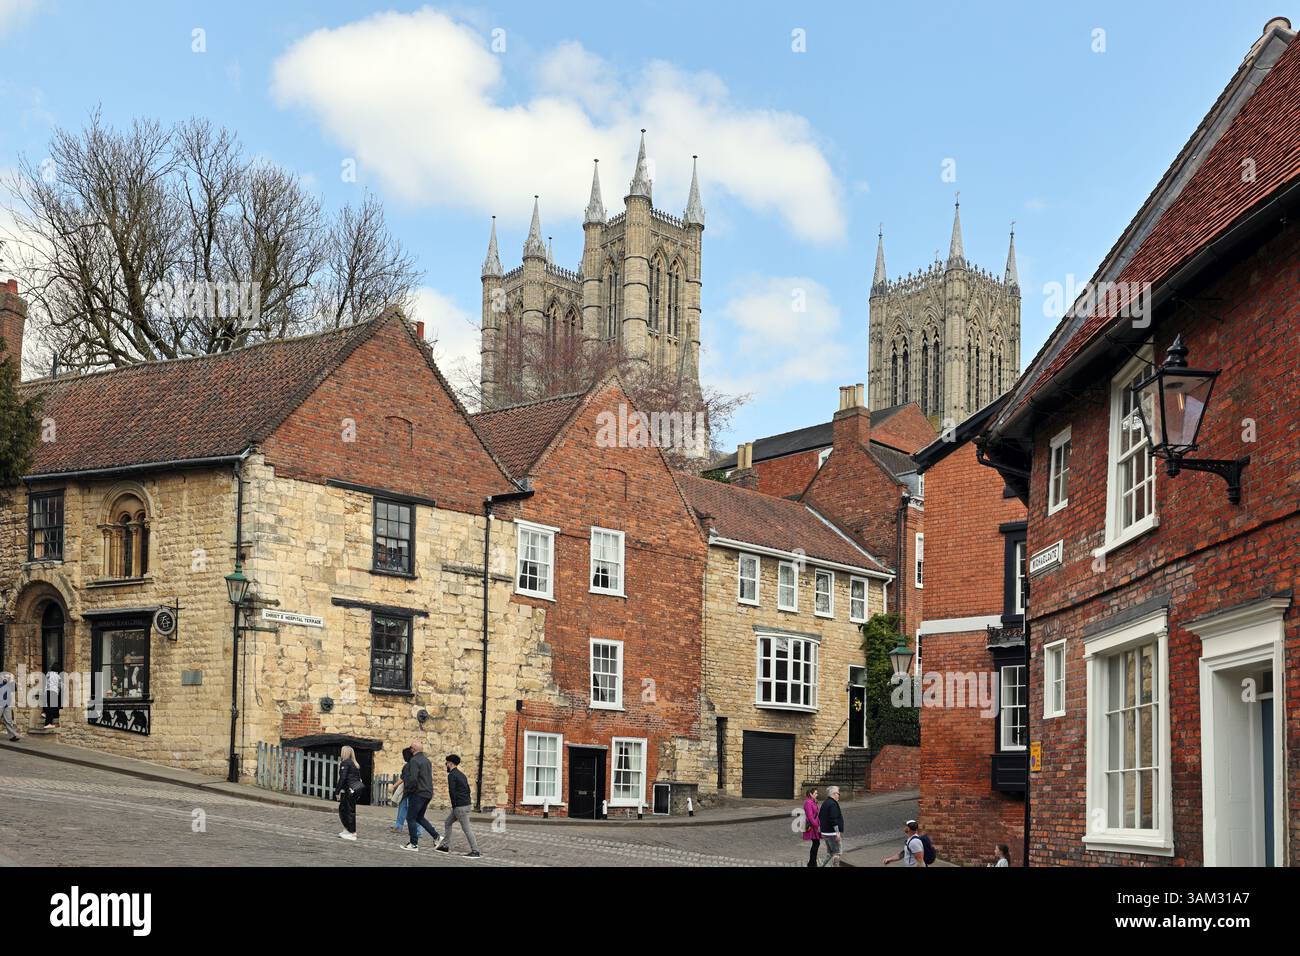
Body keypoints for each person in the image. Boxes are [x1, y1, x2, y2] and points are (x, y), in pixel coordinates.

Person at [436, 754, 482, 859]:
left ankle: (475, 851)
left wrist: (454, 805)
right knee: (447, 822)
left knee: (467, 829)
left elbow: (452, 792)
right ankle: (445, 846)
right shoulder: (461, 774)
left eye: (447, 763)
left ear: (451, 763)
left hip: (460, 807)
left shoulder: (452, 775)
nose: (446, 764)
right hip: (464, 804)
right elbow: (468, 790)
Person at [400, 741, 440, 851]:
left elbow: (413, 779)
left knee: (411, 818)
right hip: (427, 793)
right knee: (419, 817)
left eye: (410, 748)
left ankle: (413, 844)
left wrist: (408, 791)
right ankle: (436, 836)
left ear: (413, 749)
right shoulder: (427, 761)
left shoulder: (414, 761)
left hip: (418, 793)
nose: (409, 750)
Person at [335, 745, 364, 841]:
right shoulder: (354, 763)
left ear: (344, 753)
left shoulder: (346, 763)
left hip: (352, 789)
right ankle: (348, 829)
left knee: (348, 810)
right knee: (345, 808)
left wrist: (337, 791)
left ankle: (352, 832)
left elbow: (342, 778)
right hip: (356, 788)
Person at [818, 785, 844, 866]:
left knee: (830, 853)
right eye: (838, 793)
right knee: (837, 853)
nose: (839, 795)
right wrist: (837, 833)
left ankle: (821, 865)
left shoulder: (825, 802)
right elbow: (833, 819)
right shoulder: (833, 804)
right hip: (832, 833)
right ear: (834, 794)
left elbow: (820, 816)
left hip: (825, 832)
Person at [390, 746, 413, 832]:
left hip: (409, 790)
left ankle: (417, 831)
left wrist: (394, 786)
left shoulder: (408, 766)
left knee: (410, 810)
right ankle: (398, 825)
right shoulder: (413, 764)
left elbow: (403, 778)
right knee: (403, 807)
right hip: (408, 790)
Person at [801, 786, 822, 868]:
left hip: (815, 826)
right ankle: (812, 863)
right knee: (816, 843)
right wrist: (817, 826)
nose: (817, 794)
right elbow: (810, 816)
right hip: (812, 827)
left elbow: (817, 813)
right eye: (816, 793)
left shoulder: (813, 801)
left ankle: (812, 863)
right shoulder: (808, 803)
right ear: (811, 794)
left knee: (816, 843)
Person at [1, 671, 21, 741]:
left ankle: (12, 736)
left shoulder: (9, 682)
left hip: (7, 704)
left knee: (8, 720)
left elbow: (14, 689)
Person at [43, 663, 61, 728]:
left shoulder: (48, 674)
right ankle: (48, 723)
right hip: (53, 692)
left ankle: (45, 712)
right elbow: (60, 685)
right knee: (52, 707)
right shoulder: (57, 676)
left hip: (47, 691)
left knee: (48, 706)